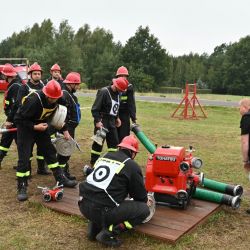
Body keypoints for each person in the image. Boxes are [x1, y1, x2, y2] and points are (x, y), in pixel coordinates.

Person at [79, 135, 150, 247]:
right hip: (102, 211)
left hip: (83, 205)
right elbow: (140, 198)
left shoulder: (105, 156)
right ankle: (109, 233)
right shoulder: (131, 165)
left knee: (101, 198)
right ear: (133, 153)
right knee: (144, 210)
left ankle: (94, 228)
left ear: (120, 147)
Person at [14, 80, 77, 201]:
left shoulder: (59, 98)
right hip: (26, 127)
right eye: (52, 98)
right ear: (46, 94)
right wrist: (34, 127)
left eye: (56, 98)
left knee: (50, 152)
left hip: (41, 127)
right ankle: (22, 185)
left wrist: (65, 130)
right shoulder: (33, 100)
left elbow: (59, 117)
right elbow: (18, 119)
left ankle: (60, 178)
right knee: (24, 157)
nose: (54, 100)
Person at [16, 62, 49, 175]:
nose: (37, 76)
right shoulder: (24, 87)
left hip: (41, 121)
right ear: (30, 75)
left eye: (39, 74)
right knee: (27, 149)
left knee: (42, 148)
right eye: (35, 73)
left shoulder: (44, 88)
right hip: (28, 122)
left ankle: (41, 168)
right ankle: (27, 171)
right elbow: (20, 104)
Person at [90, 77, 128, 166]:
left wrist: (117, 117)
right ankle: (94, 162)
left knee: (114, 143)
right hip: (103, 120)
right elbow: (95, 109)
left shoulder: (119, 94)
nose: (121, 91)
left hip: (112, 121)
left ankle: (111, 162)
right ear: (115, 85)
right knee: (98, 143)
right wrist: (98, 121)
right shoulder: (104, 92)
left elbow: (116, 107)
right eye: (120, 89)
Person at [57, 72, 81, 180]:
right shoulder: (64, 94)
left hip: (71, 127)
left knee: (67, 151)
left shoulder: (70, 94)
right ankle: (61, 175)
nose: (78, 86)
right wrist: (65, 129)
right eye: (77, 84)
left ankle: (65, 172)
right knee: (64, 152)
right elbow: (61, 114)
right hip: (66, 128)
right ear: (71, 84)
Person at [0, 64, 21, 168]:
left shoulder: (15, 86)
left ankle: (24, 165)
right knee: (5, 140)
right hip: (13, 120)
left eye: (3, 75)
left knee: (20, 143)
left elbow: (15, 106)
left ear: (7, 76)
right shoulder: (14, 85)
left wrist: (10, 120)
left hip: (15, 120)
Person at [115, 66, 136, 142]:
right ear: (117, 77)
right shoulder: (113, 85)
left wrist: (133, 118)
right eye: (121, 76)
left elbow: (131, 103)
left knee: (124, 137)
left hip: (124, 115)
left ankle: (122, 151)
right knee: (114, 136)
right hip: (114, 114)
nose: (123, 78)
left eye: (125, 76)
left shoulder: (129, 87)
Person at [239, 98, 250, 214]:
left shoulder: (247, 118)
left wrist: (246, 160)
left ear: (245, 107)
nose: (239, 110)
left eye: (240, 107)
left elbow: (245, 141)